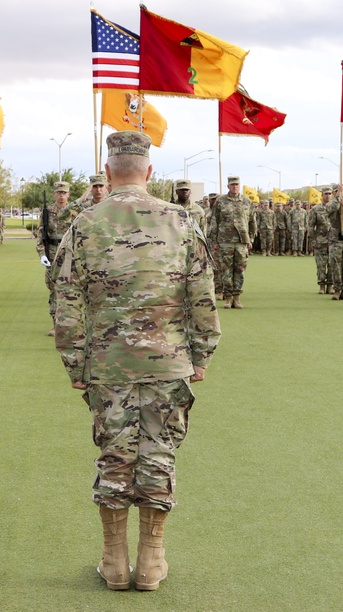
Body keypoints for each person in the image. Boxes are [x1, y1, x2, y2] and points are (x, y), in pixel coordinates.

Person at [53, 131, 221, 592]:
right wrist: (202, 354)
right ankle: (150, 560)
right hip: (168, 362)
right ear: (149, 172)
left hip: (109, 364)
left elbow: (65, 301)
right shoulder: (180, 221)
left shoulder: (85, 222)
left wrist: (75, 363)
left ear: (108, 173)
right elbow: (202, 294)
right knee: (159, 453)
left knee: (115, 455)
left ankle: (114, 560)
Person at [207, 175, 256, 308]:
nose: (235, 187)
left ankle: (237, 297)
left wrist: (250, 238)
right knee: (226, 270)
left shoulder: (247, 202)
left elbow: (252, 221)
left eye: (237, 185)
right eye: (232, 185)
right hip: (225, 241)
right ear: (228, 186)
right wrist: (214, 240)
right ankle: (228, 298)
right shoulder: (220, 201)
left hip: (241, 242)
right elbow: (214, 221)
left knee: (240, 270)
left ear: (239, 186)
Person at [36, 181, 72, 334]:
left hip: (70, 254)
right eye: (59, 192)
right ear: (54, 194)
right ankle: (56, 324)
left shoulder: (74, 211)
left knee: (71, 290)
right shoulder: (47, 211)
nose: (61, 195)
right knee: (54, 290)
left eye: (64, 192)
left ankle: (71, 324)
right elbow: (41, 235)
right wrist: (42, 254)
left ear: (68, 194)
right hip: (52, 253)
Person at [325, 185, 343, 301]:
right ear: (334, 193)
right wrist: (338, 200)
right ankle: (336, 290)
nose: (340, 193)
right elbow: (329, 210)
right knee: (335, 267)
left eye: (341, 191)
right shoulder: (331, 205)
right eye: (337, 191)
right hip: (335, 240)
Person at [307, 187, 333, 294]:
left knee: (332, 265)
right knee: (321, 265)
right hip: (320, 241)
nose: (328, 195)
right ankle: (321, 285)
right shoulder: (316, 209)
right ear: (322, 195)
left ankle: (330, 286)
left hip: (333, 241)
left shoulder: (335, 208)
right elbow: (311, 226)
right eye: (326, 194)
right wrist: (312, 240)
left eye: (330, 193)